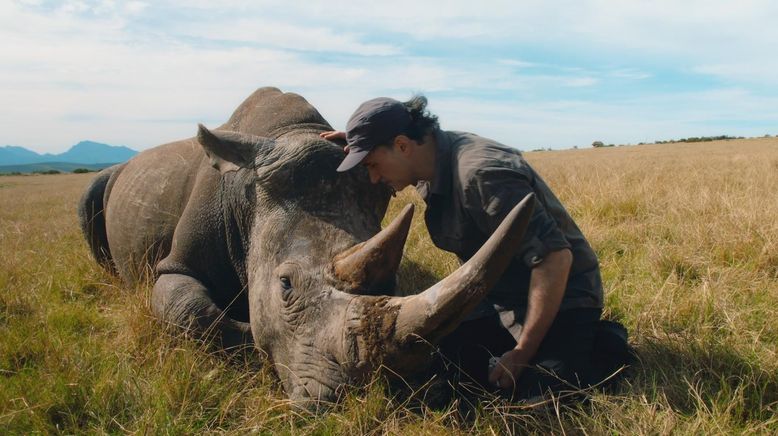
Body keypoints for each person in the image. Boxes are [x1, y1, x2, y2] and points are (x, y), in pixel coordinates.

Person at [322, 96, 631, 401]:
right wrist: (360, 140)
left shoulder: (482, 175)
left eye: (374, 164)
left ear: (402, 145)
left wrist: (523, 352)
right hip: (500, 297)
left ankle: (604, 345)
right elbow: (395, 121)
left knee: (539, 400)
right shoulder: (425, 158)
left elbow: (554, 260)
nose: (374, 177)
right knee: (435, 373)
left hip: (563, 296)